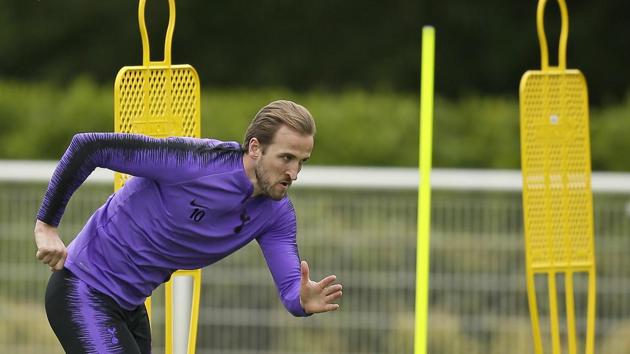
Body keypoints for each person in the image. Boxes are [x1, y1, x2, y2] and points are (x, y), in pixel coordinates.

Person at [34, 100, 343, 353]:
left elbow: (291, 289)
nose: (294, 172)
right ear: (254, 148)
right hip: (83, 287)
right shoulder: (192, 163)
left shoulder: (276, 215)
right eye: (286, 158)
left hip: (130, 306)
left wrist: (303, 301)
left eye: (302, 161)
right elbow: (88, 147)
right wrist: (47, 225)